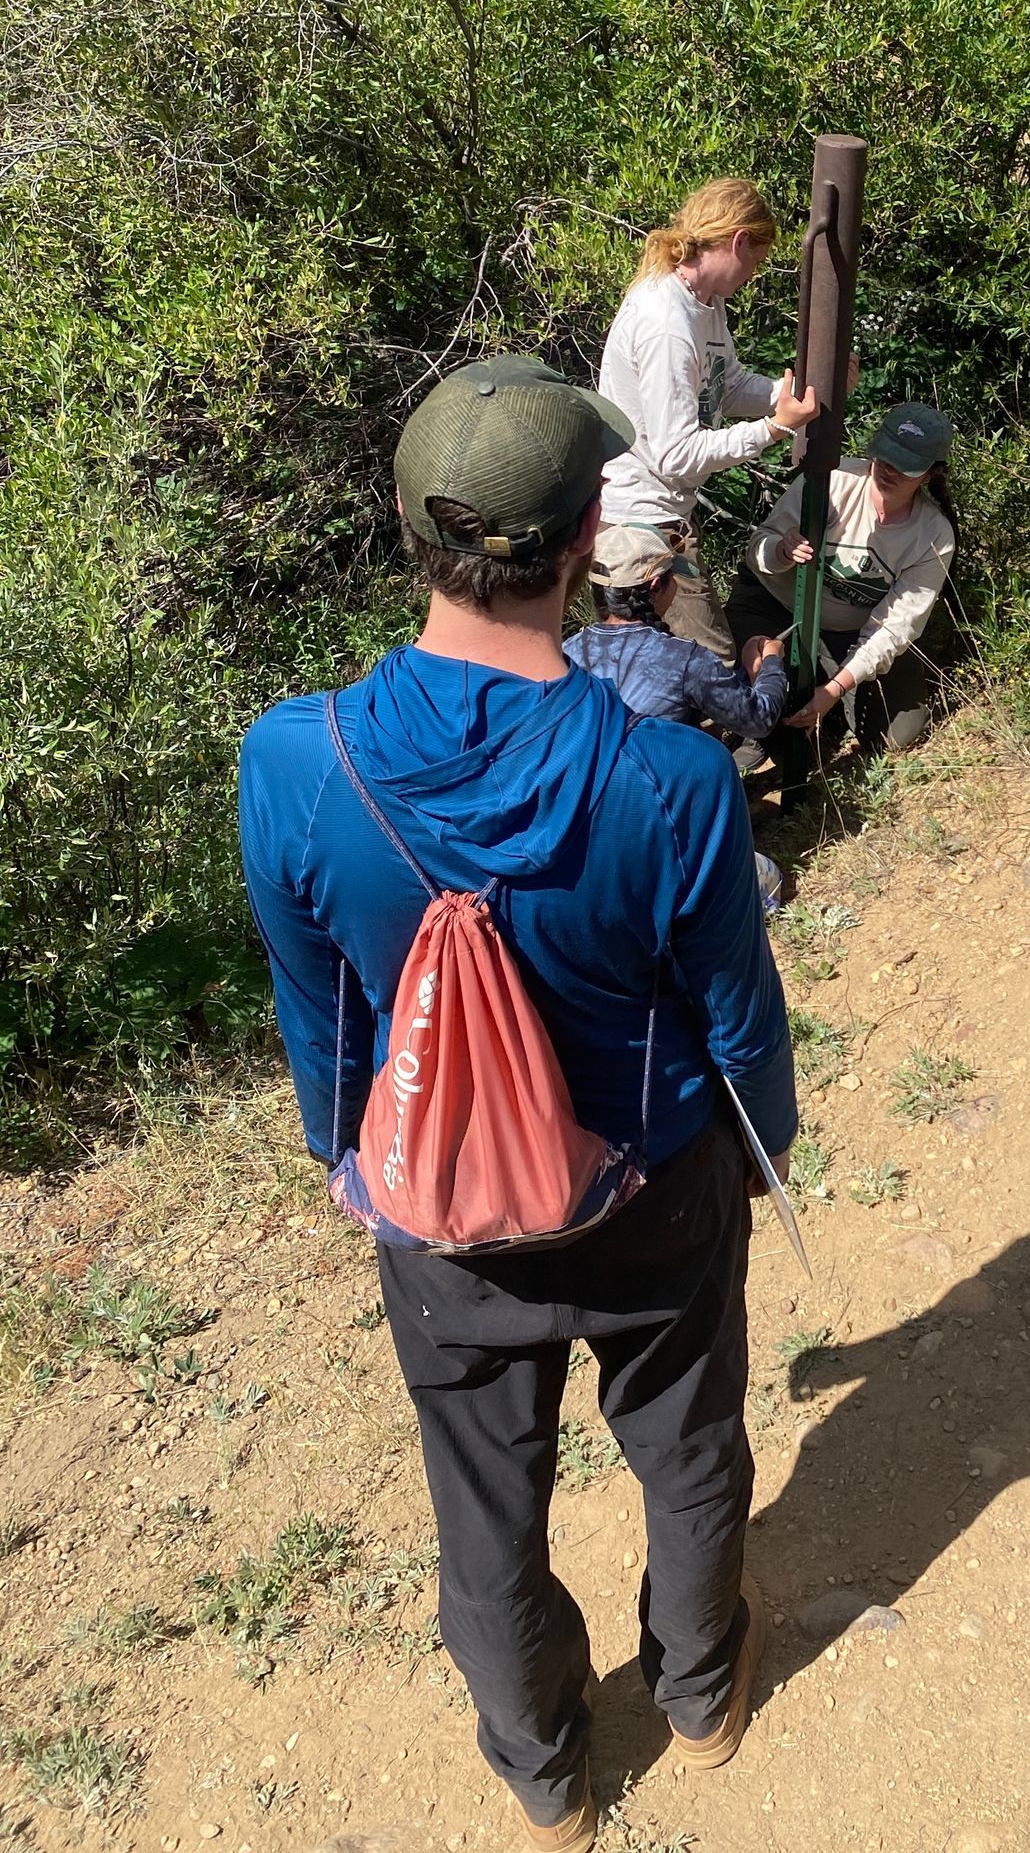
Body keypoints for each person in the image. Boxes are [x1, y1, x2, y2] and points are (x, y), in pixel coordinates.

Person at [238, 357, 797, 1849]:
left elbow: (322, 1018)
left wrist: (346, 1157)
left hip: (440, 1220)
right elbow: (738, 1016)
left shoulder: (295, 761)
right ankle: (701, 1692)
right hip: (654, 1183)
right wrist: (763, 1150)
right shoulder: (671, 779)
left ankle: (548, 1778)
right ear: (577, 545)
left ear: (419, 535)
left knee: (483, 1502)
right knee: (686, 1448)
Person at [598, 176, 819, 660]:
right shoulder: (666, 323)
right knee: (712, 668)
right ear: (739, 241)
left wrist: (793, 395)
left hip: (668, 514)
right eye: (756, 260)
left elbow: (729, 384)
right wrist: (776, 429)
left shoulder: (706, 305)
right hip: (639, 526)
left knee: (671, 672)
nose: (753, 274)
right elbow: (676, 455)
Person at [728, 402, 957, 757]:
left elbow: (895, 628)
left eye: (905, 466)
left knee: (897, 732)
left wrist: (836, 688)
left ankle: (823, 697)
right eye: (885, 458)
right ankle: (766, 727)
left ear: (929, 474)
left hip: (848, 630)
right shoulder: (832, 480)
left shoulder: (933, 536)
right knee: (759, 665)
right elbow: (758, 549)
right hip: (777, 604)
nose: (889, 471)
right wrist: (782, 551)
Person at [567, 522, 791, 736]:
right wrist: (770, 663)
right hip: (655, 773)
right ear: (656, 584)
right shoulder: (686, 660)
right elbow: (758, 720)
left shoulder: (568, 651)